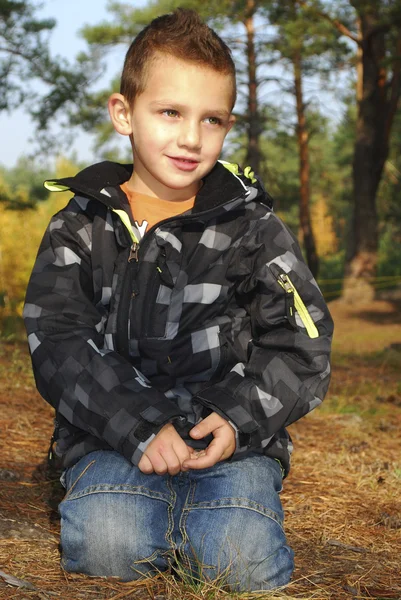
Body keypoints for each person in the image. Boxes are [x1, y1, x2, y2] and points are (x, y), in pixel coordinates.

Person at [23, 8, 333, 592]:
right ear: (125, 114)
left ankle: (220, 514)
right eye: (170, 112)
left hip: (229, 441)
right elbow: (58, 343)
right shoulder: (81, 226)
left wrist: (238, 419)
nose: (191, 138)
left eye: (210, 119)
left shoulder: (252, 228)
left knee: (238, 562)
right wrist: (138, 425)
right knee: (110, 544)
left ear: (228, 125)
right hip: (111, 434)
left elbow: (302, 339)